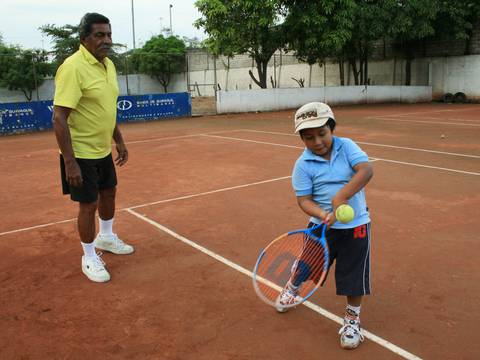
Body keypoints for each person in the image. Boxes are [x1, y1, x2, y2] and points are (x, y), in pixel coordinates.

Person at [276, 102, 373, 350]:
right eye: (309, 137)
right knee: (308, 266)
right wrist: (321, 213)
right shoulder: (303, 165)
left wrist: (339, 198)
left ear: (332, 129)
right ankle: (293, 286)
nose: (317, 142)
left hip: (356, 226)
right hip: (321, 228)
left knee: (353, 275)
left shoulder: (347, 146)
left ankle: (352, 319)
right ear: (301, 139)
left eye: (322, 134)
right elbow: (303, 200)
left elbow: (366, 170)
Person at [52, 13, 134, 283]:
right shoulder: (73, 67)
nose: (106, 40)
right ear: (84, 38)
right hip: (81, 153)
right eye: (99, 35)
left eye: (109, 34)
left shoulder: (108, 65)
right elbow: (59, 117)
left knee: (109, 193)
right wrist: (70, 162)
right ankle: (89, 256)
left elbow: (106, 109)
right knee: (88, 205)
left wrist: (118, 140)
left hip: (102, 150)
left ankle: (106, 237)